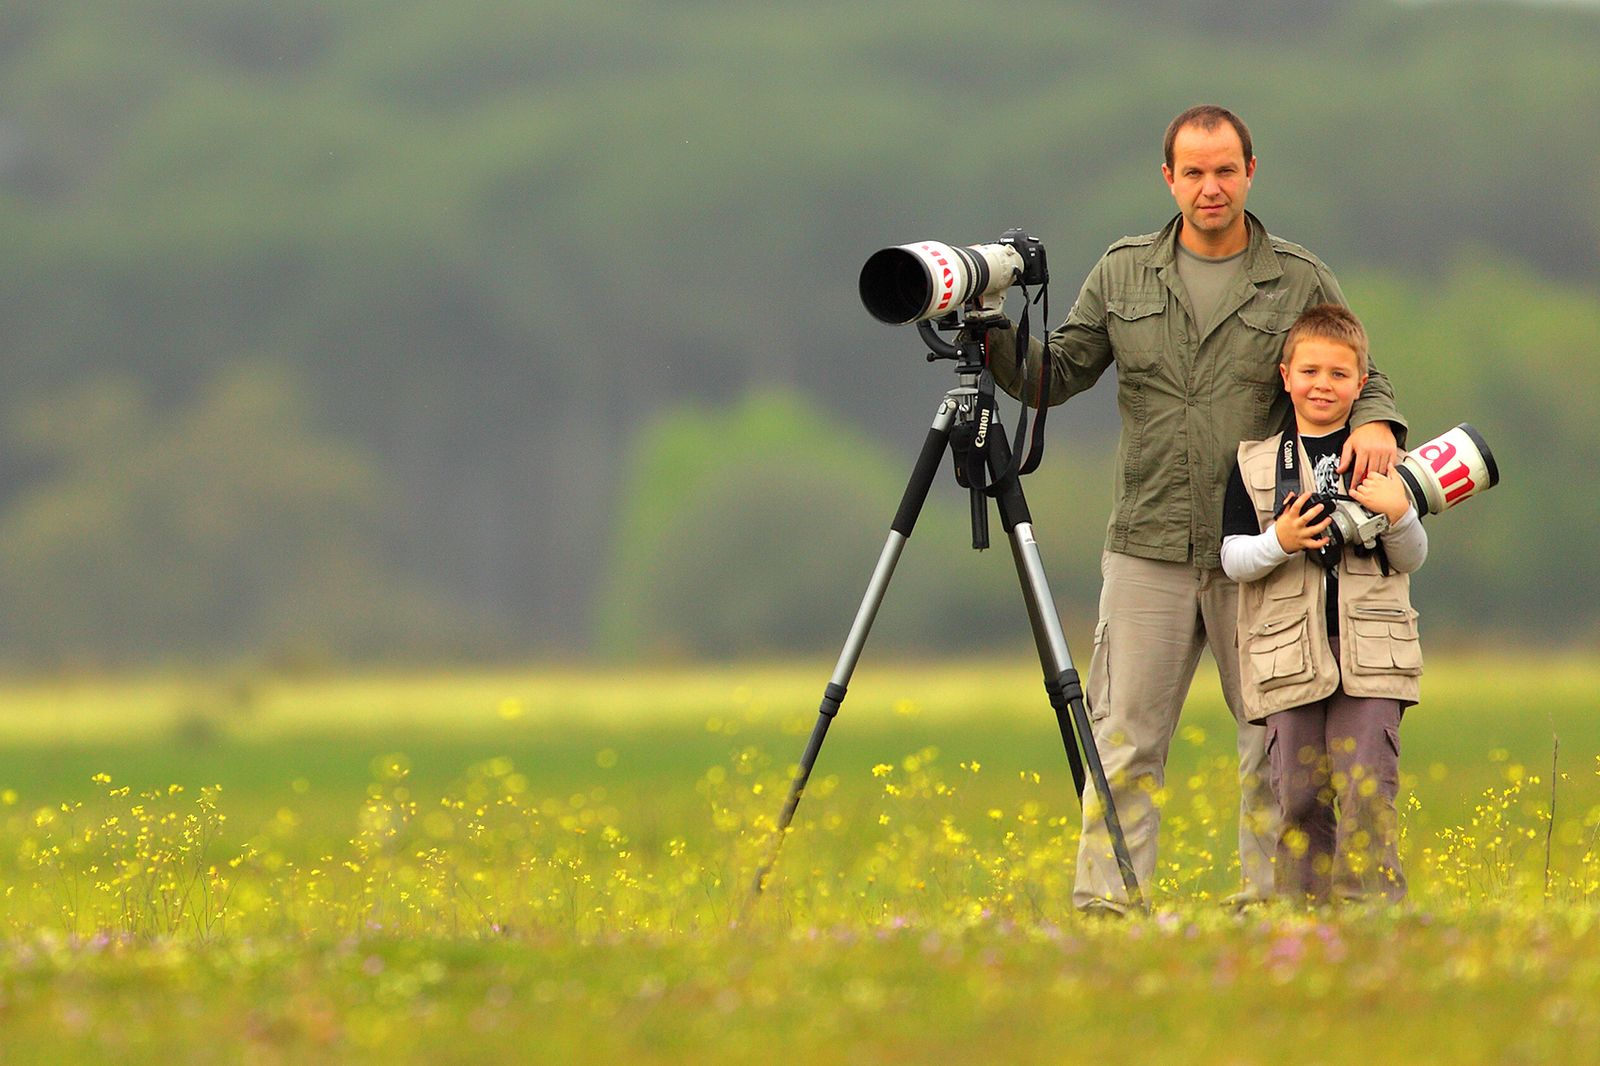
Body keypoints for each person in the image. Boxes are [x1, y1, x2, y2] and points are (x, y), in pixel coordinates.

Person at [983, 105, 1408, 914]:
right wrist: (989, 333)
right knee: (1124, 741)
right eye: (1194, 173)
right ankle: (1109, 909)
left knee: (1271, 742)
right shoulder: (1122, 272)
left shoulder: (1298, 278)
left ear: (1250, 173)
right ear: (1169, 179)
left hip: (1267, 545)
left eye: (1225, 171)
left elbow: (1364, 372)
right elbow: (1056, 375)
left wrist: (1378, 423)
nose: (1211, 188)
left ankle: (1273, 907)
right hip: (1147, 543)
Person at [1220, 304, 1424, 903]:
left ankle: (1371, 914)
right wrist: (1279, 542)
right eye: (1309, 372)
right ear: (1286, 376)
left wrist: (1399, 513)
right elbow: (1232, 559)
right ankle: (1304, 916)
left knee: (1367, 789)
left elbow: (1412, 557)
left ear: (1362, 384)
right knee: (1299, 795)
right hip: (1289, 657)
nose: (1322, 386)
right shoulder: (1255, 463)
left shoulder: (1386, 460)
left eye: (1339, 374)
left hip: (1372, 654)